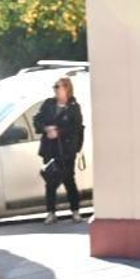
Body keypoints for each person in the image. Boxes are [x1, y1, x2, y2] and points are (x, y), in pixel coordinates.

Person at [34, 76, 85, 223]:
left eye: (58, 87)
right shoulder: (48, 104)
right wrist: (46, 128)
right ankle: (51, 212)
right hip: (50, 148)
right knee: (50, 180)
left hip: (66, 150)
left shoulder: (74, 107)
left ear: (66, 89)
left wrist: (59, 131)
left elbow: (76, 127)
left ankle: (75, 212)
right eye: (54, 87)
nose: (55, 90)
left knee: (69, 179)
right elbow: (37, 120)